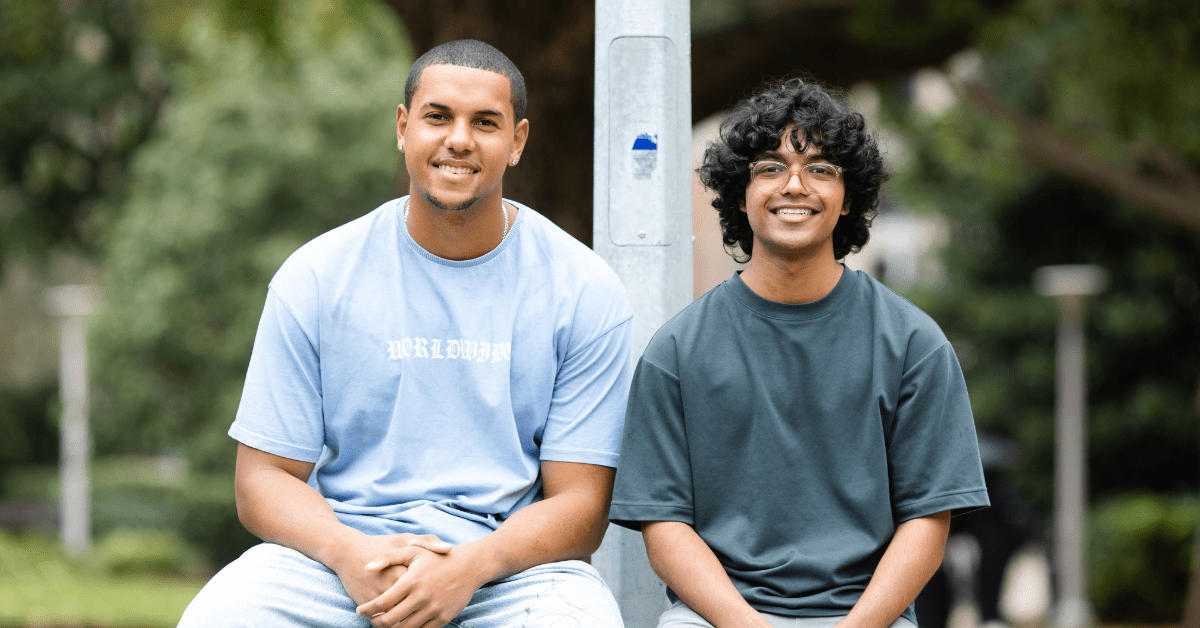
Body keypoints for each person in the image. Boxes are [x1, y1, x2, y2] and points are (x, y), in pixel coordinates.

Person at [179, 39, 632, 628]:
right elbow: (262, 478)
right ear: (403, 127)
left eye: (485, 123)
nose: (459, 139)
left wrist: (471, 567)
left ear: (517, 141)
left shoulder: (585, 290)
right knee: (221, 617)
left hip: (510, 570)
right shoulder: (316, 275)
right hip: (336, 557)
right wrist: (350, 554)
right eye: (437, 117)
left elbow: (581, 503)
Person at [608, 77, 990, 628]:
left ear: (848, 198)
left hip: (868, 618)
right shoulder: (676, 351)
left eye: (820, 169)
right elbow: (666, 530)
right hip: (716, 619)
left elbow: (928, 519)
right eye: (770, 168)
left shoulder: (914, 344)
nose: (795, 185)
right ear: (740, 194)